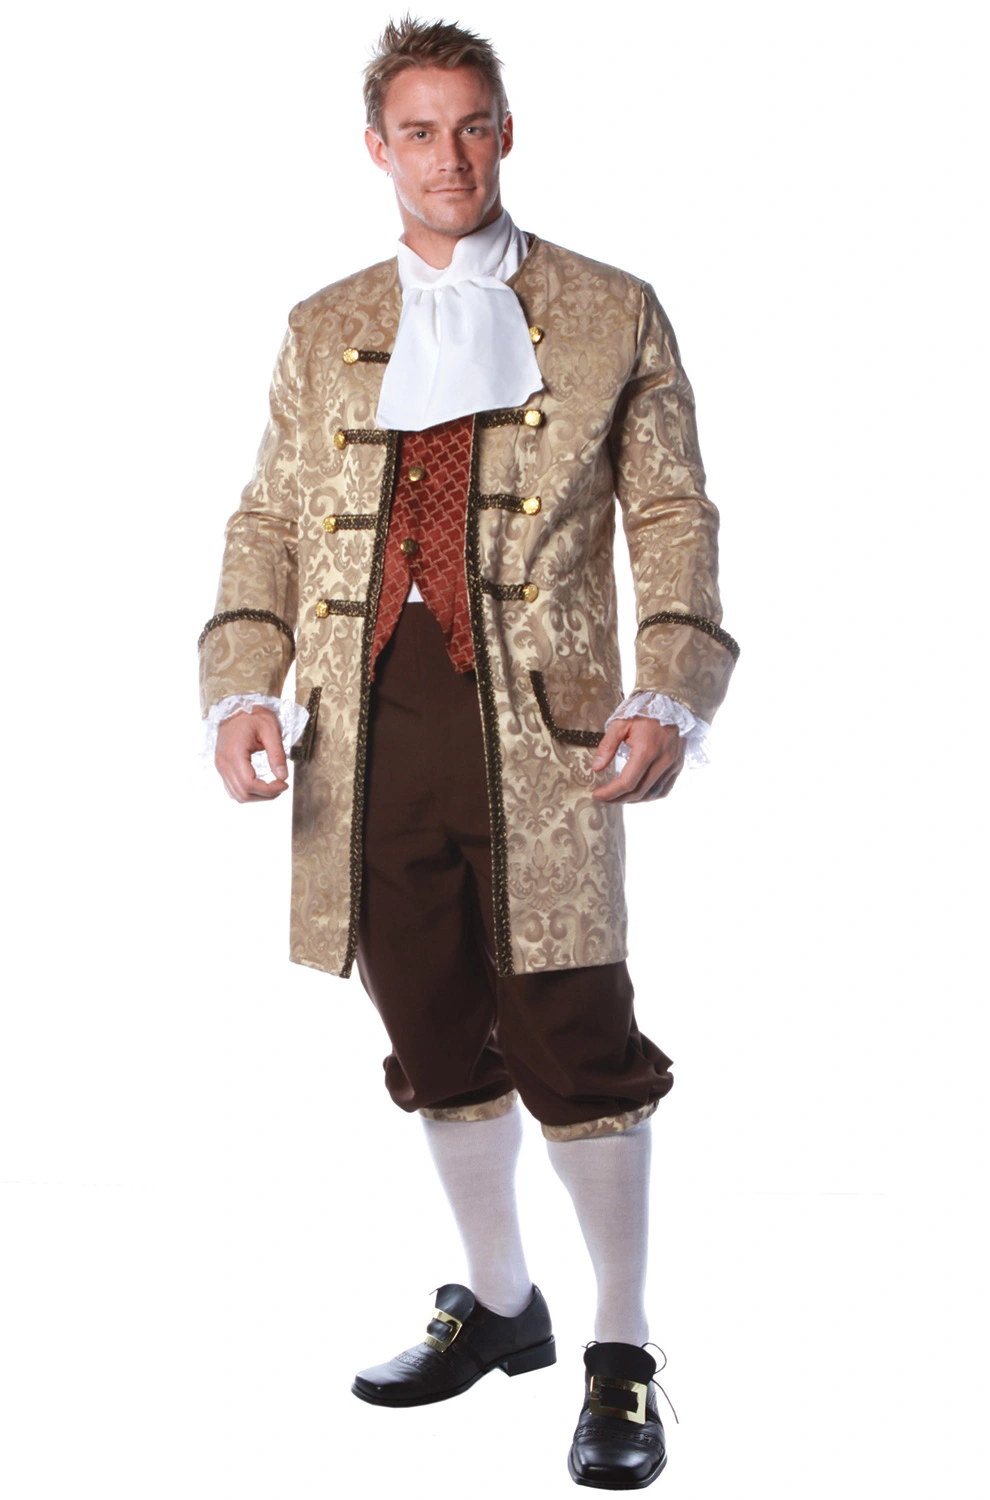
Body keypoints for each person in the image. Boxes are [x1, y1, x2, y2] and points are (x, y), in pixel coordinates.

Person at [198, 16, 738, 1490]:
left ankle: (620, 1349)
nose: (451, 157)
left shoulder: (612, 309)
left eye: (474, 125)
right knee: (431, 1027)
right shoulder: (322, 324)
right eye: (421, 131)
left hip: (546, 733)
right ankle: (501, 1306)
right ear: (377, 147)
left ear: (508, 132)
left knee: (573, 1031)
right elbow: (266, 517)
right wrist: (239, 685)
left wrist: (671, 686)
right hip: (363, 731)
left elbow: (673, 516)